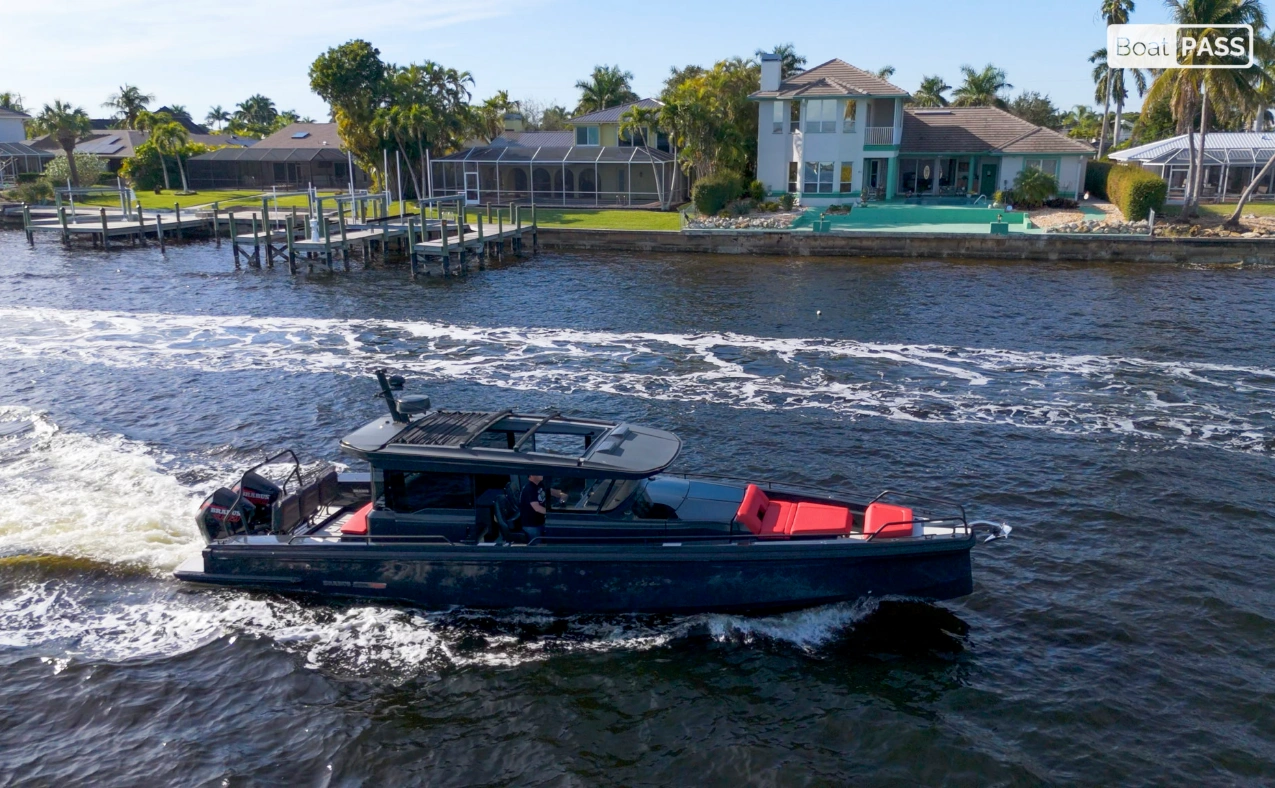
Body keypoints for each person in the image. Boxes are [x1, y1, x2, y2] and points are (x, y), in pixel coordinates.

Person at [517, 474, 564, 542]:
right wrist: (552, 514)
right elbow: (537, 507)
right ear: (531, 476)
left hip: (540, 522)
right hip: (532, 526)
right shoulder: (529, 489)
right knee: (537, 547)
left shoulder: (539, 484)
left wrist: (562, 494)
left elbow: (550, 491)